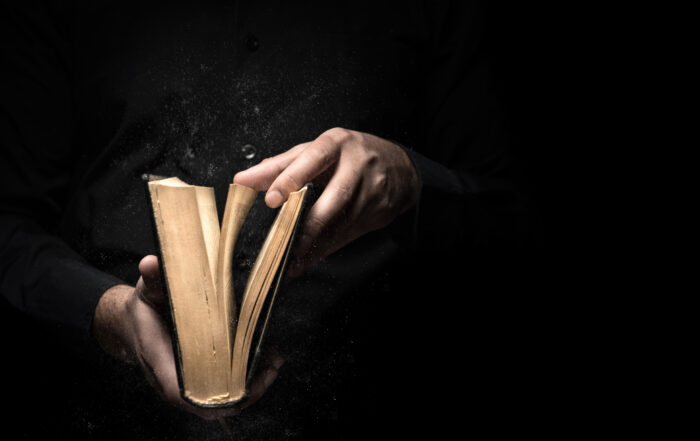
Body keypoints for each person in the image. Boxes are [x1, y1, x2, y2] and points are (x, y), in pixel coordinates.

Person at [0, 1, 537, 439]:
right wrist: (109, 314)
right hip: (92, 414)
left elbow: (510, 213)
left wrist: (411, 181)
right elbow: (10, 225)